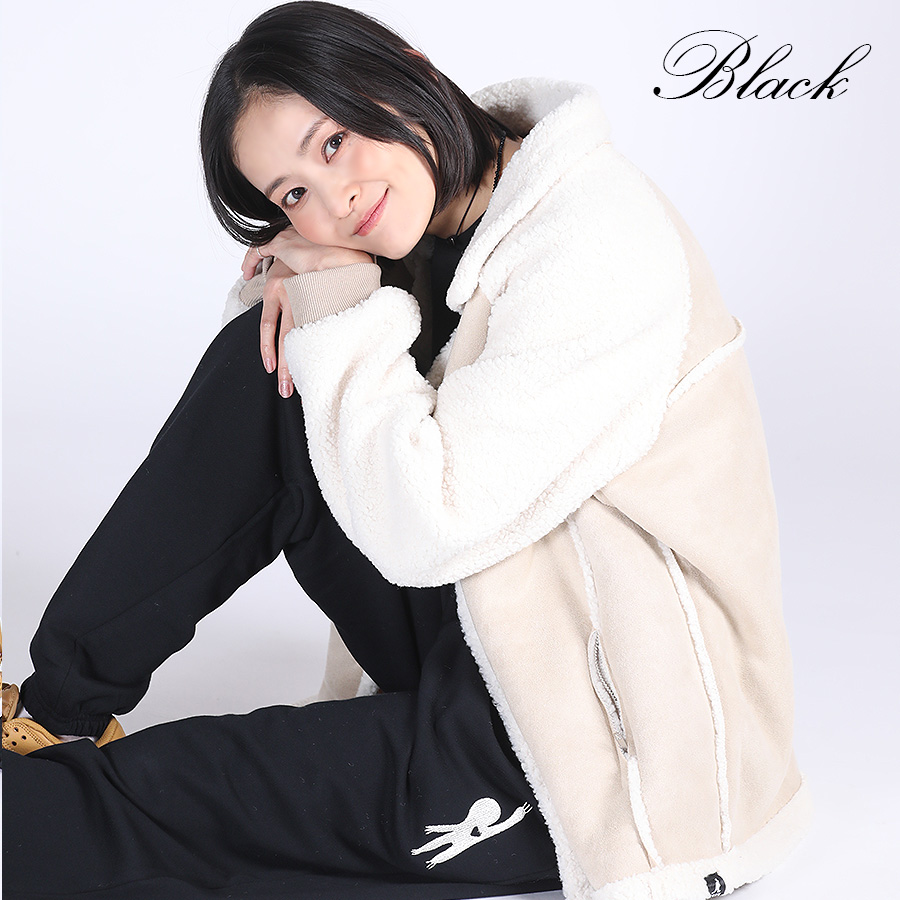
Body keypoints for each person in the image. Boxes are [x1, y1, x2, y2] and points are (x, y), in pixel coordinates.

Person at [1, 2, 811, 898]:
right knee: (271, 373)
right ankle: (51, 710)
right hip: (485, 634)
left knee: (168, 803)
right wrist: (302, 281)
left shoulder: (595, 239)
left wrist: (339, 303)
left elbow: (433, 524)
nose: (333, 200)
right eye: (292, 195)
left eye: (333, 142)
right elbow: (280, 404)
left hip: (600, 756)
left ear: (406, 71)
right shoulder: (436, 212)